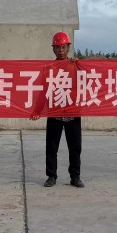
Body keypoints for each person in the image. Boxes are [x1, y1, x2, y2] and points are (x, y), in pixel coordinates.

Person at [30, 31, 83, 188]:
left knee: (75, 148)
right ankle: (51, 176)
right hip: (54, 113)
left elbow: (89, 80)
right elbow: (43, 92)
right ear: (53, 49)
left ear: (68, 48)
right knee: (51, 147)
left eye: (63, 47)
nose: (61, 50)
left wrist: (80, 64)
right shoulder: (49, 69)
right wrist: (37, 110)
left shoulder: (75, 66)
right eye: (58, 47)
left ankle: (75, 176)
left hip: (72, 112)